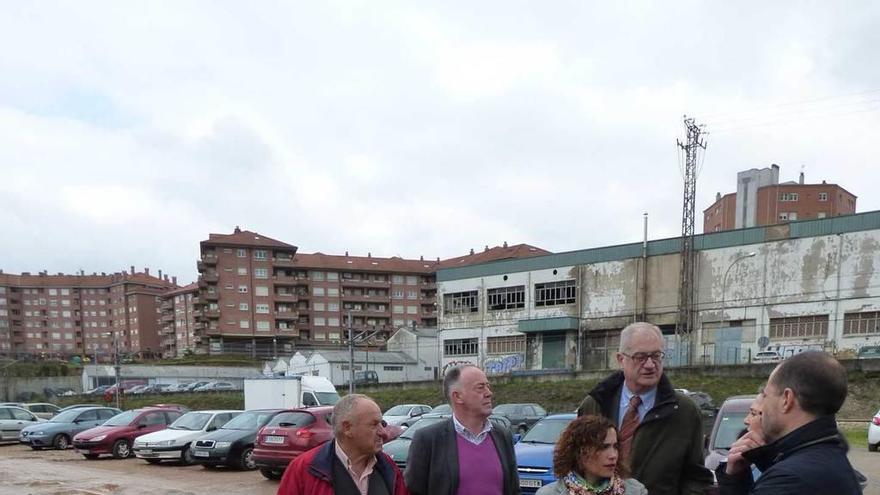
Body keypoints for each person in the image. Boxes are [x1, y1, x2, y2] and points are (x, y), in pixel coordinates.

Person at [576, 322, 712, 495]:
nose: (650, 365)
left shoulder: (684, 412)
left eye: (656, 356)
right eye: (640, 357)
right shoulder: (594, 405)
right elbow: (577, 466)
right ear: (620, 359)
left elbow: (696, 478)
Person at [719, 351, 861, 494]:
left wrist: (733, 481)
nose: (763, 407)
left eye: (766, 396)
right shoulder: (831, 457)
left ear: (786, 399)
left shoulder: (787, 481)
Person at [404, 364, 519, 495]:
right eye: (480, 388)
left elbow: (514, 490)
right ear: (457, 396)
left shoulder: (502, 436)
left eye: (488, 386)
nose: (489, 393)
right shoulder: (428, 440)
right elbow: (412, 491)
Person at [276, 393, 409, 495]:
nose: (384, 433)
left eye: (383, 423)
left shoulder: (388, 467)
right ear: (347, 428)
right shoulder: (305, 468)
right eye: (374, 425)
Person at [536, 415, 647, 495]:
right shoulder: (548, 493)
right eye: (603, 447)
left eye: (615, 447)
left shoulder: (635, 490)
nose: (613, 455)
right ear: (579, 451)